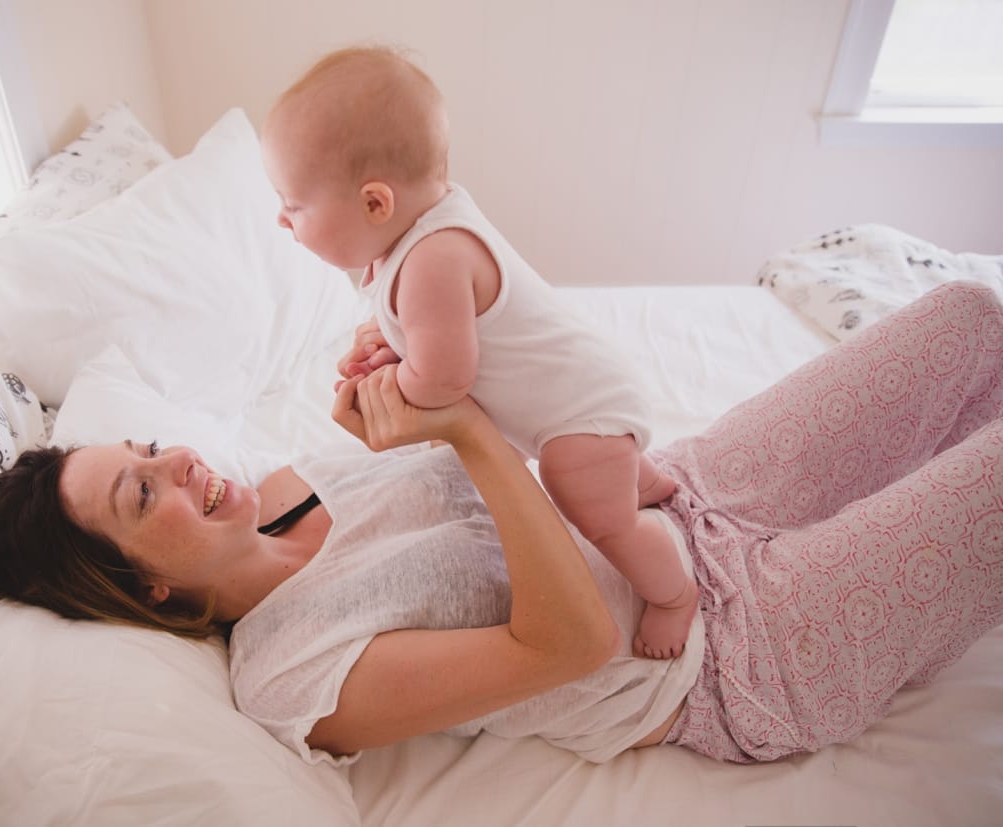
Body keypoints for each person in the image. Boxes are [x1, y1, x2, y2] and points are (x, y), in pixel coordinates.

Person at [0, 281, 1003, 765]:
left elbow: (511, 453)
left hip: (674, 500)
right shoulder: (289, 674)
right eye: (140, 493)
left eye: (147, 450)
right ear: (142, 584)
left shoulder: (291, 479)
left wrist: (414, 374)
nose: (175, 462)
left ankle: (933, 608)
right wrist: (466, 435)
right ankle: (907, 616)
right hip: (726, 655)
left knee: (969, 323)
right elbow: (574, 643)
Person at [260, 45, 693, 659]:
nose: (282, 219)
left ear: (375, 203)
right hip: (585, 384)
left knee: (596, 517)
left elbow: (443, 379)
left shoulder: (434, 258)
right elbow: (438, 333)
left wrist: (388, 386)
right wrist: (391, 344)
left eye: (294, 204)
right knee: (605, 473)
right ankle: (642, 479)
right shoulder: (412, 238)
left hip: (579, 415)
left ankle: (674, 594)